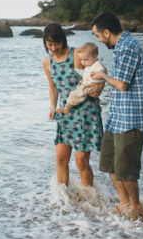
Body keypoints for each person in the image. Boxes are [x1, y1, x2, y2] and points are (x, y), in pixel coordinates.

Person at [90, 12, 143, 216]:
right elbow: (118, 79)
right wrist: (104, 73)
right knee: (109, 163)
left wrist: (103, 75)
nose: (98, 39)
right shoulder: (120, 48)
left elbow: (122, 85)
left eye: (98, 35)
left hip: (131, 119)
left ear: (106, 32)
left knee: (127, 172)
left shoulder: (127, 47)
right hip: (117, 118)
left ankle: (136, 208)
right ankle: (124, 203)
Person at [42, 23, 104, 187]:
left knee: (81, 162)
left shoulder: (77, 54)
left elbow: (98, 71)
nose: (54, 48)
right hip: (66, 112)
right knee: (61, 159)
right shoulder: (47, 62)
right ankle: (65, 203)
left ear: (63, 40)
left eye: (57, 43)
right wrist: (53, 107)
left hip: (85, 112)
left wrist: (99, 88)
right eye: (50, 44)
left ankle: (89, 199)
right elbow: (53, 87)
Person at [56, 42, 106, 114]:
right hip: (87, 83)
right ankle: (97, 105)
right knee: (82, 93)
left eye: (85, 60)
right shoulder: (90, 64)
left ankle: (66, 108)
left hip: (90, 85)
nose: (83, 62)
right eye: (81, 60)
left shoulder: (97, 65)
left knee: (75, 94)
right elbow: (86, 73)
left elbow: (101, 70)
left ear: (95, 57)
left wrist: (97, 77)